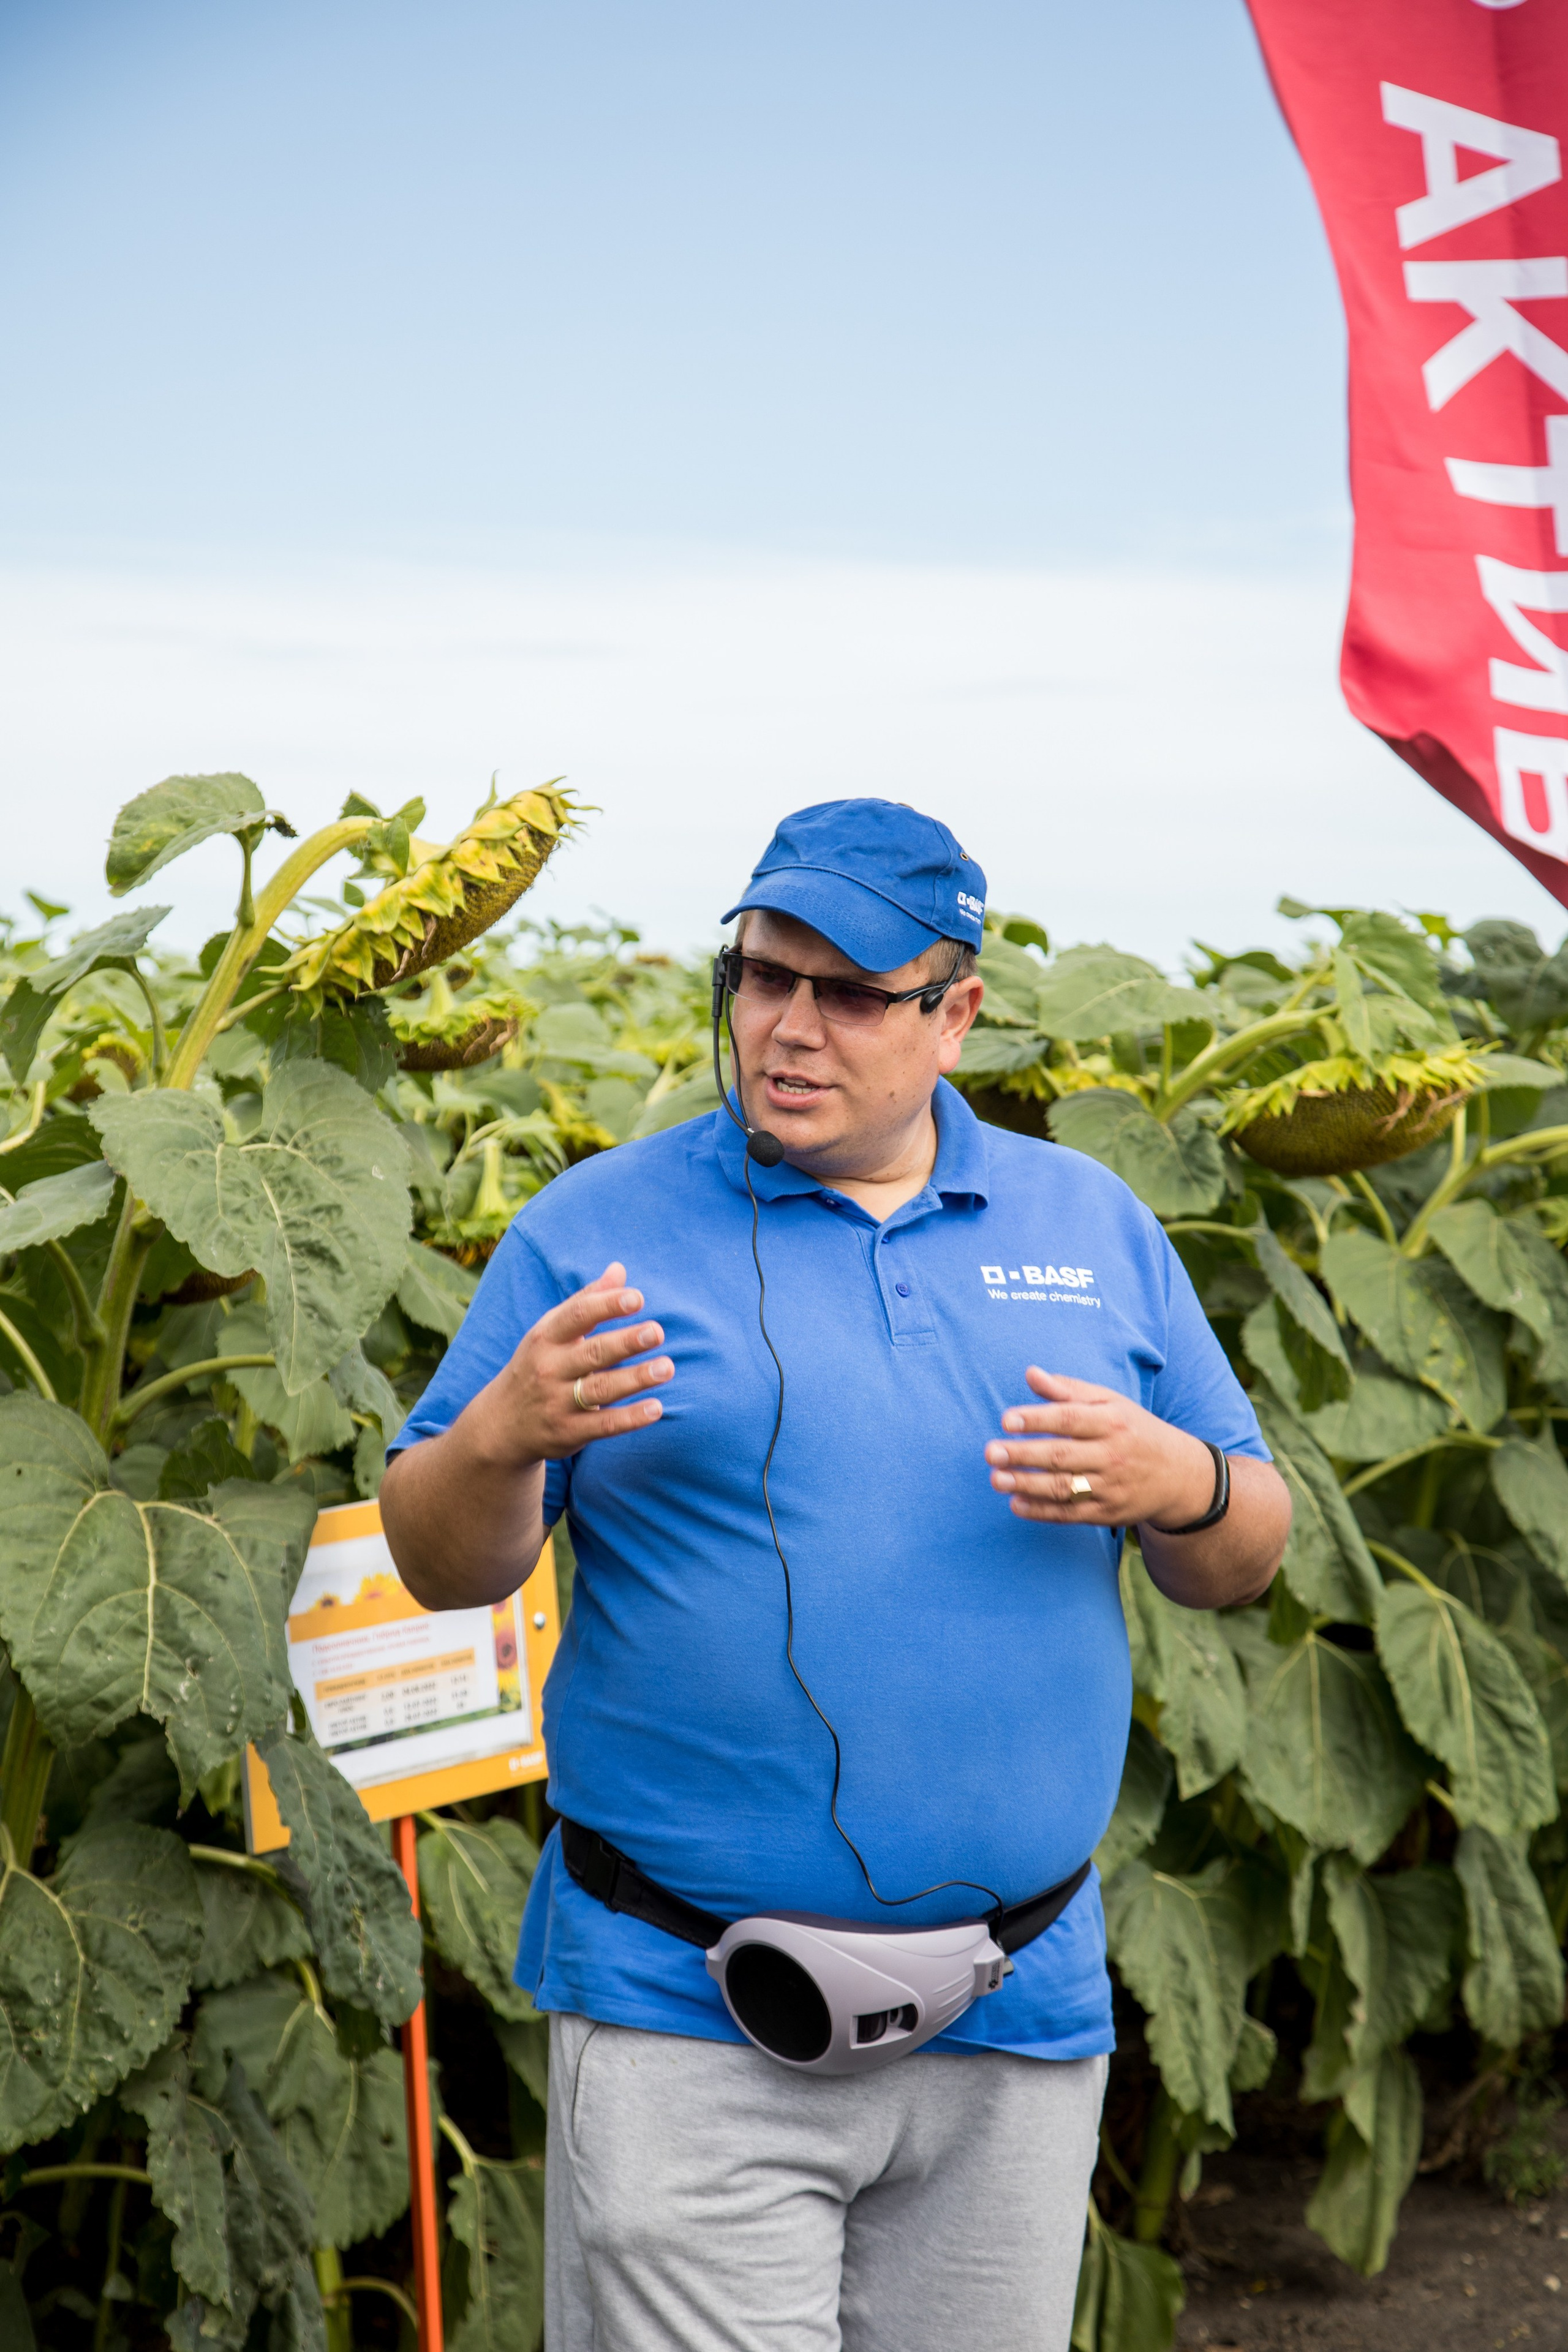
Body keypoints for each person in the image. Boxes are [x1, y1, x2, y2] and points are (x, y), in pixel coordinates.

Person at [380, 797, 1292, 2352]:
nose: (788, 1030)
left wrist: (1180, 1482)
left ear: (955, 1019)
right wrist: (500, 1442)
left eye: (852, 993)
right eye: (760, 978)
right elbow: (437, 1558)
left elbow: (1241, 1553)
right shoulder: (595, 1229)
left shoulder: (1091, 1225)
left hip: (1019, 2013)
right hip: (691, 2016)